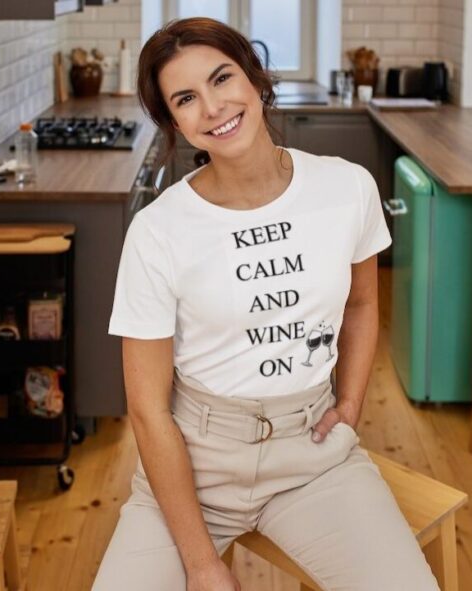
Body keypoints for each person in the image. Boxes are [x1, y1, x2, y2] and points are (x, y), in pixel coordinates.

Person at [92, 17, 440, 591]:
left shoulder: (346, 187)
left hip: (313, 459)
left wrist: (349, 404)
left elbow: (359, 304)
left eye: (222, 78)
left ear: (254, 78)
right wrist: (203, 565)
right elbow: (150, 410)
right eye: (185, 98)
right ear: (173, 120)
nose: (212, 106)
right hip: (192, 464)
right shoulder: (158, 231)